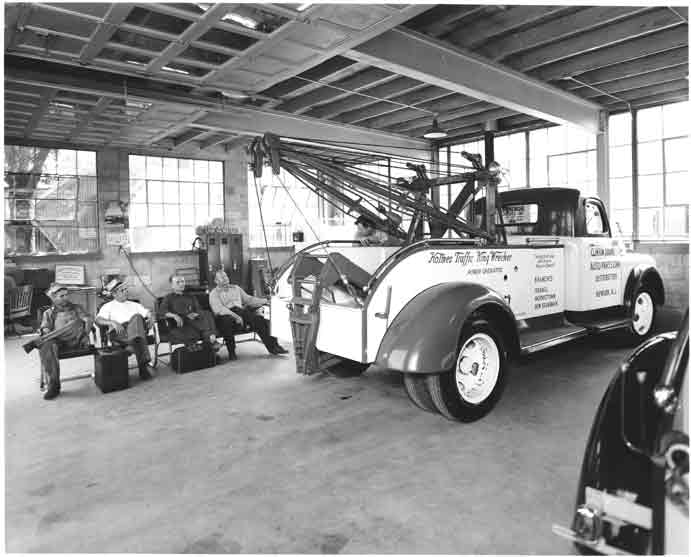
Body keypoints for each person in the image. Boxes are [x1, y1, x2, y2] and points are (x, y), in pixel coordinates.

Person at [209, 269, 288, 359]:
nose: (225, 278)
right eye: (222, 277)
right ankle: (232, 352)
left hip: (240, 312)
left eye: (226, 276)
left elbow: (249, 300)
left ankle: (273, 347)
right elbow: (219, 310)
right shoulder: (214, 294)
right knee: (227, 321)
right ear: (216, 281)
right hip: (225, 316)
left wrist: (266, 301)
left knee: (259, 319)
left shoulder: (236, 288)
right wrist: (236, 316)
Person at [36, 283, 93, 400]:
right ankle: (54, 385)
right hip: (58, 343)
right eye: (61, 296)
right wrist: (47, 332)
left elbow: (87, 320)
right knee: (48, 345)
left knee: (76, 323)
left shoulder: (77, 308)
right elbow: (45, 327)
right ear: (54, 298)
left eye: (66, 295)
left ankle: (41, 341)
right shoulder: (49, 313)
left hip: (77, 339)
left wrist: (87, 327)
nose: (65, 298)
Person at [95, 280, 153, 380]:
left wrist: (152, 318)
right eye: (122, 290)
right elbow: (98, 320)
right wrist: (112, 322)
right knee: (137, 322)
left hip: (135, 330)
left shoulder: (134, 304)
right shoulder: (108, 306)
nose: (126, 292)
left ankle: (132, 345)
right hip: (119, 332)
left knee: (137, 318)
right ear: (114, 294)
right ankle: (143, 365)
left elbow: (148, 313)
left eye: (126, 289)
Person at [158, 273, 219, 349]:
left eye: (183, 281)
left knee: (207, 313)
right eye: (178, 282)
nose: (181, 284)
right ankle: (211, 338)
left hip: (195, 320)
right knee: (200, 318)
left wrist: (196, 314)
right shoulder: (168, 298)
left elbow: (198, 309)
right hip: (181, 322)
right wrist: (174, 315)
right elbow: (161, 311)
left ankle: (210, 337)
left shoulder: (190, 296)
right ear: (172, 285)